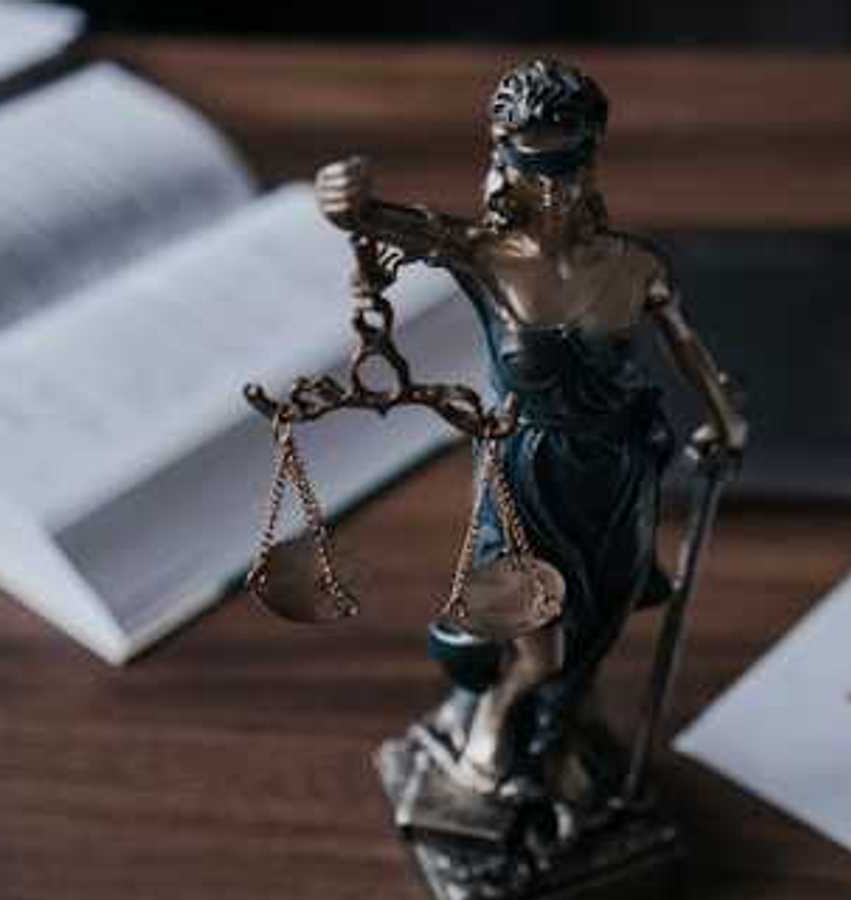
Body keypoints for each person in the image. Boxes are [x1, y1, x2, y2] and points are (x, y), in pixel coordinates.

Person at [314, 58, 746, 819]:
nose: (551, 191)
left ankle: (556, 736)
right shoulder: (482, 257)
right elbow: (379, 222)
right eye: (532, 168)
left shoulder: (635, 266)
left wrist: (724, 416)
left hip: (616, 477)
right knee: (535, 640)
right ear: (503, 162)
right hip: (526, 479)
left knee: (597, 626)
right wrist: (344, 203)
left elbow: (686, 347)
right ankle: (497, 718)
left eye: (566, 168)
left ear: (591, 159)